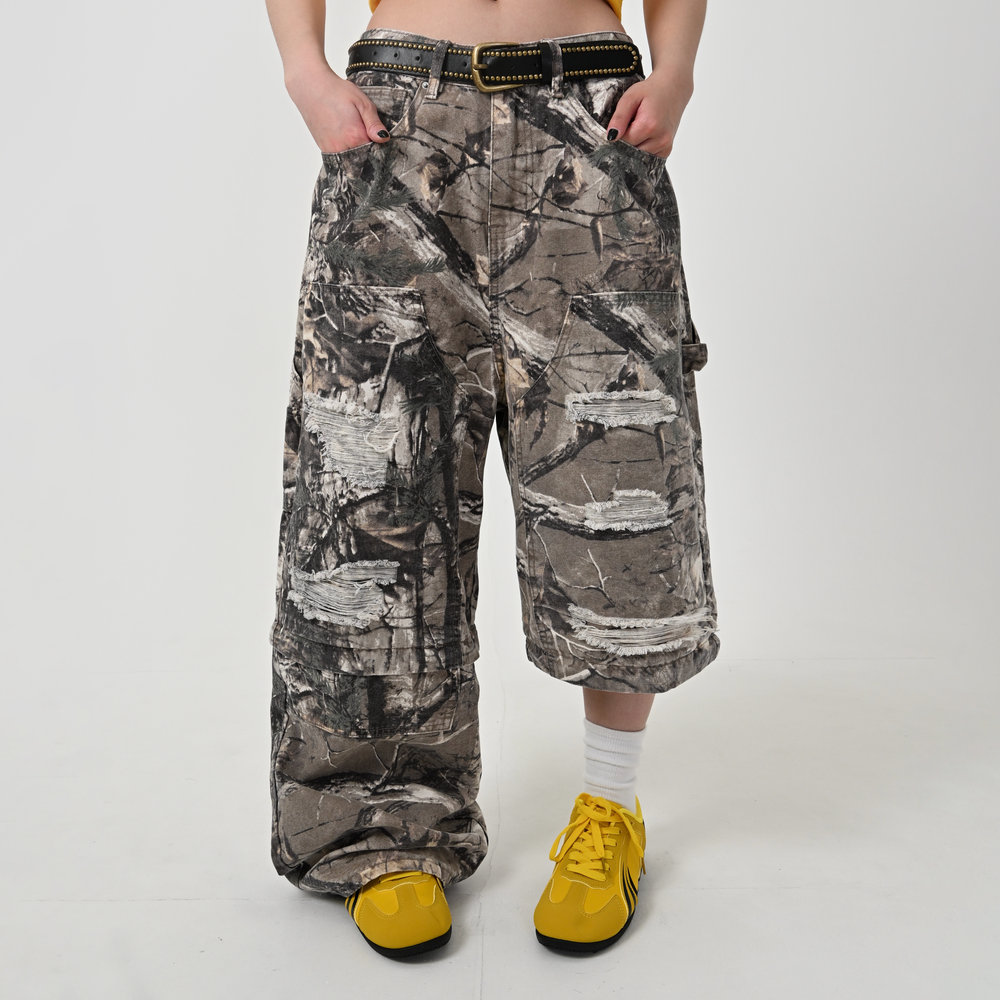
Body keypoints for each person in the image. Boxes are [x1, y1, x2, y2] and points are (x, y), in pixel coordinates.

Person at [263, 0, 718, 959]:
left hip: (591, 117)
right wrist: (304, 68)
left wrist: (675, 67)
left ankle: (609, 808)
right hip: (397, 124)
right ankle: (384, 826)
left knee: (615, 484)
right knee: (377, 487)